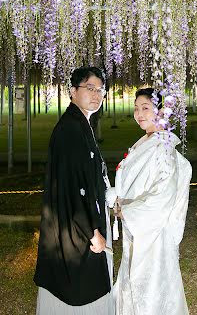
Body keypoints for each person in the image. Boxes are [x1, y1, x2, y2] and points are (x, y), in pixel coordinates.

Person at [34, 66, 114, 314]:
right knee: (79, 288)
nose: (96, 95)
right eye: (89, 88)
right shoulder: (70, 130)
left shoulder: (80, 123)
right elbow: (72, 187)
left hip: (82, 220)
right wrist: (92, 232)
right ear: (73, 91)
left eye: (100, 90)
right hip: (78, 227)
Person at [106, 87, 192, 315]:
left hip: (152, 232)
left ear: (161, 111)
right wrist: (120, 200)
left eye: (146, 108)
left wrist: (129, 212)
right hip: (137, 227)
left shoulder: (163, 146)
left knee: (150, 288)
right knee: (132, 281)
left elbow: (164, 193)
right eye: (136, 108)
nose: (139, 113)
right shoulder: (146, 141)